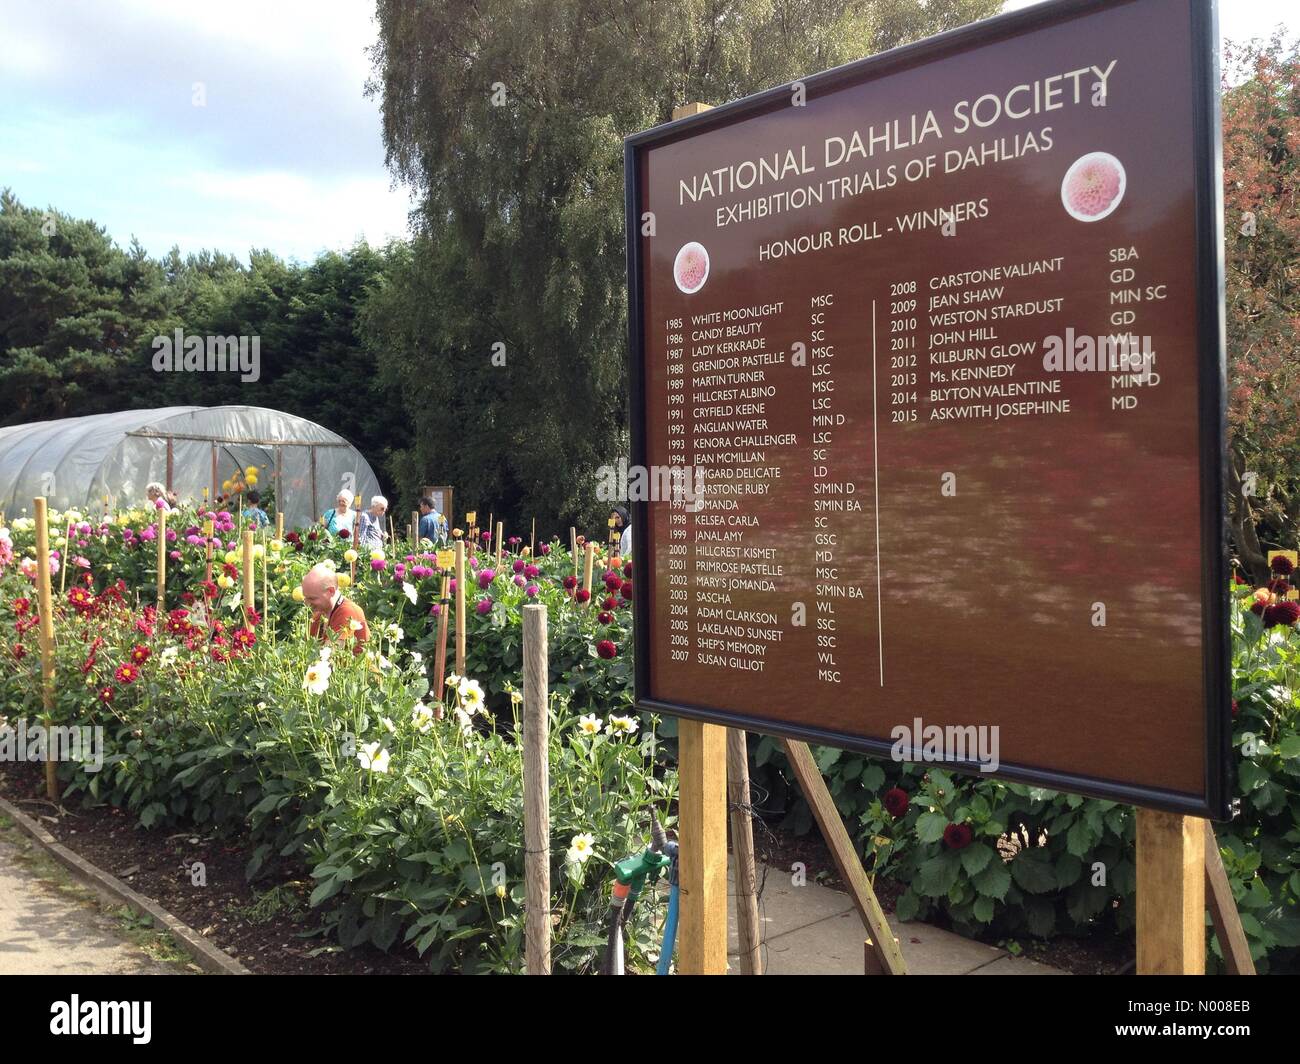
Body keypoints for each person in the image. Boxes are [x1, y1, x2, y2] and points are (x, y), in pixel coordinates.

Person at [301, 563, 369, 652]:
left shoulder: (348, 612)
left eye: (312, 598)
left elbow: (330, 655)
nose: (307, 603)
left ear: (331, 591)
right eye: (305, 598)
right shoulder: (318, 616)